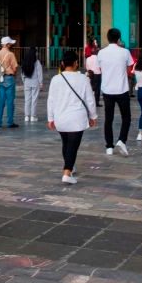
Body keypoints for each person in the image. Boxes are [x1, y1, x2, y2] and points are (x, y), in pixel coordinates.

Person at [46, 51, 97, 184]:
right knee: (73, 145)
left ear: (62, 63)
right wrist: (93, 116)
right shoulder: (83, 79)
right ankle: (67, 172)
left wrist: (50, 118)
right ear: (76, 63)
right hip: (76, 118)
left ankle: (70, 166)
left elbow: (50, 100)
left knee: (66, 143)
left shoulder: (56, 79)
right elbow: (89, 99)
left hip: (60, 117)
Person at [97, 28, 133, 156]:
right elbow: (129, 71)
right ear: (119, 38)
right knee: (126, 117)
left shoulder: (101, 53)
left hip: (107, 90)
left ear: (107, 38)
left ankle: (109, 146)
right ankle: (122, 140)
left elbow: (100, 69)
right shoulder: (125, 52)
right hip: (122, 89)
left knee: (108, 119)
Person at [0, 36, 20, 128]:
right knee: (10, 102)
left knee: (1, 101)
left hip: (1, 78)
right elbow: (15, 67)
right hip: (9, 77)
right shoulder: (10, 54)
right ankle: (10, 122)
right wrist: (14, 74)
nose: (11, 45)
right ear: (7, 44)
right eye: (10, 43)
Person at [20, 46, 43, 123]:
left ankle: (26, 116)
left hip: (27, 82)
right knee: (34, 100)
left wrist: (24, 81)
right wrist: (41, 82)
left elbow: (22, 73)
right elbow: (39, 73)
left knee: (27, 100)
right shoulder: (37, 62)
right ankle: (33, 116)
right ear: (34, 53)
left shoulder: (25, 61)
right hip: (35, 82)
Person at [84, 42, 102, 107]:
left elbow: (87, 67)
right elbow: (101, 67)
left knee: (91, 88)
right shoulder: (99, 59)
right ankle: (96, 102)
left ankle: (89, 101)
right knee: (97, 89)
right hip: (97, 74)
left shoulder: (88, 59)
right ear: (97, 52)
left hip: (90, 74)